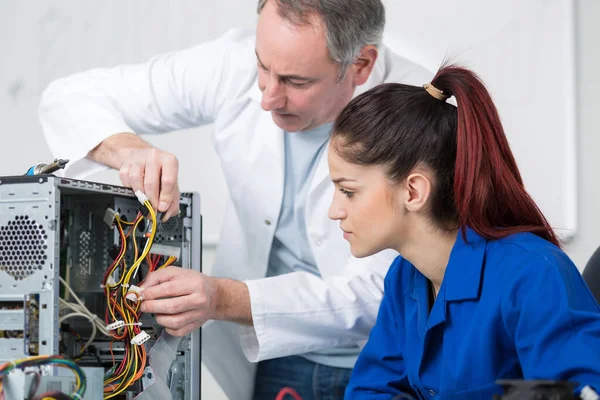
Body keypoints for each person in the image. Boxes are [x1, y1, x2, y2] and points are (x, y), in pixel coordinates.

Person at [38, 0, 432, 398]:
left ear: (361, 64)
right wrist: (129, 151)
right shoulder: (232, 63)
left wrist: (226, 298)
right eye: (263, 67)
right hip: (264, 357)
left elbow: (379, 292)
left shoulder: (421, 114)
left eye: (296, 82)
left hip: (380, 363)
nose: (267, 98)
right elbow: (68, 98)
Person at [326, 64, 600, 399]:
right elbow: (372, 389)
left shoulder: (534, 276)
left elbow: (578, 393)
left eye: (348, 191)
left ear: (412, 191)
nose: (334, 211)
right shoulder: (404, 278)